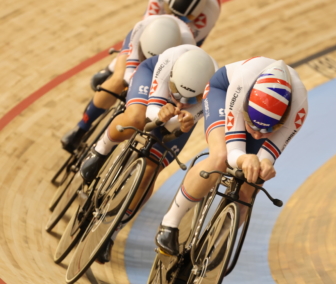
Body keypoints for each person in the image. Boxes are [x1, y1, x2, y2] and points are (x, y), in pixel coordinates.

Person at [155, 56, 308, 256]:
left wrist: (266, 164)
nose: (256, 135)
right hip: (223, 91)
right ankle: (169, 224)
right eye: (251, 125)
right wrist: (244, 158)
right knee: (219, 157)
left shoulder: (299, 110)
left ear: (283, 120)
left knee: (253, 182)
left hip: (262, 112)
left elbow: (267, 156)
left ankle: (214, 249)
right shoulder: (242, 85)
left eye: (269, 130)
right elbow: (233, 152)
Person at [81, 45, 217, 263]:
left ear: (203, 94)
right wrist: (160, 111)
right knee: (135, 119)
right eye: (177, 94)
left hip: (182, 117)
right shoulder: (168, 62)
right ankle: (99, 152)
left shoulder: (213, 92)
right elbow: (151, 111)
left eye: (190, 99)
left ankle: (112, 234)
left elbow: (175, 126)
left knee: (150, 169)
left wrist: (184, 119)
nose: (181, 101)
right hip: (151, 79)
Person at [61, 15, 195, 153]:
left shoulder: (185, 50)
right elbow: (129, 71)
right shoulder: (141, 28)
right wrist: (135, 89)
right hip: (138, 50)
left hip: (165, 68)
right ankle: (81, 128)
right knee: (118, 80)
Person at [89, 0, 221, 94]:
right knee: (149, 33)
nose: (174, 17)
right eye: (170, 11)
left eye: (184, 17)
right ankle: (112, 66)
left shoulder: (210, 12)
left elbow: (184, 47)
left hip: (190, 30)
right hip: (162, 17)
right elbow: (145, 28)